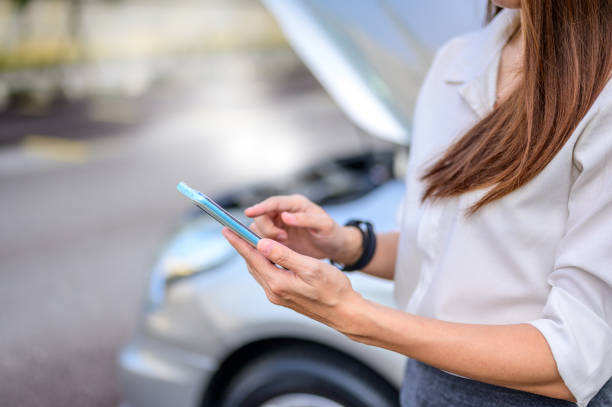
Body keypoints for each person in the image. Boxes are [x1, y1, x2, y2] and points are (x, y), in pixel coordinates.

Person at [221, 1, 612, 406]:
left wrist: (353, 315)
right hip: (423, 384)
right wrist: (345, 245)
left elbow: (573, 359)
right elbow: (441, 254)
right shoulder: (456, 59)